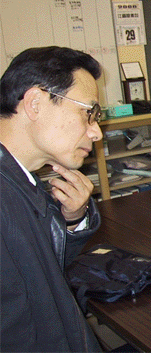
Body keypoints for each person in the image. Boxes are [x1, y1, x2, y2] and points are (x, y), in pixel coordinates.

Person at [1, 46, 103, 351]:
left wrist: (71, 220)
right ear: (35, 103)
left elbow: (38, 274)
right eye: (88, 113)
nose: (96, 132)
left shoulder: (21, 178)